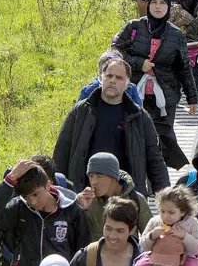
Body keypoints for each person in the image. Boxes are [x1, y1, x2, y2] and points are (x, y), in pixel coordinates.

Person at [53, 54, 170, 199]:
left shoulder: (140, 117)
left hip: (125, 197)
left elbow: (155, 160)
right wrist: (58, 195)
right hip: (86, 194)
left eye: (119, 78)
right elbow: (61, 154)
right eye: (109, 76)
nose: (113, 80)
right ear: (101, 78)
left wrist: (166, 199)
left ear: (128, 84)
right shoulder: (80, 112)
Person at [112, 0, 198, 169]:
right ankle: (138, 173)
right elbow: (116, 51)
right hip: (135, 93)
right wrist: (139, 63)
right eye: (154, 2)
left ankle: (159, 176)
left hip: (165, 95)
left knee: (164, 139)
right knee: (135, 136)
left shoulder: (176, 35)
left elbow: (183, 67)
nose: (158, 7)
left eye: (162, 3)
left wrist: (192, 98)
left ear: (169, 6)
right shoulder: (134, 27)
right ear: (148, 4)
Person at [0, 160, 90, 266]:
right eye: (26, 197)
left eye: (36, 194)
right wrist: (10, 180)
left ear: (48, 185)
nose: (32, 201)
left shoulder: (73, 212)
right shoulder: (18, 208)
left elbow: (82, 254)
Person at [75, 151, 151, 242]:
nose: (94, 182)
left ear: (114, 179)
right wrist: (80, 209)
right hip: (96, 251)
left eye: (99, 176)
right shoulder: (86, 200)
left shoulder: (135, 199)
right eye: (91, 176)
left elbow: (151, 237)